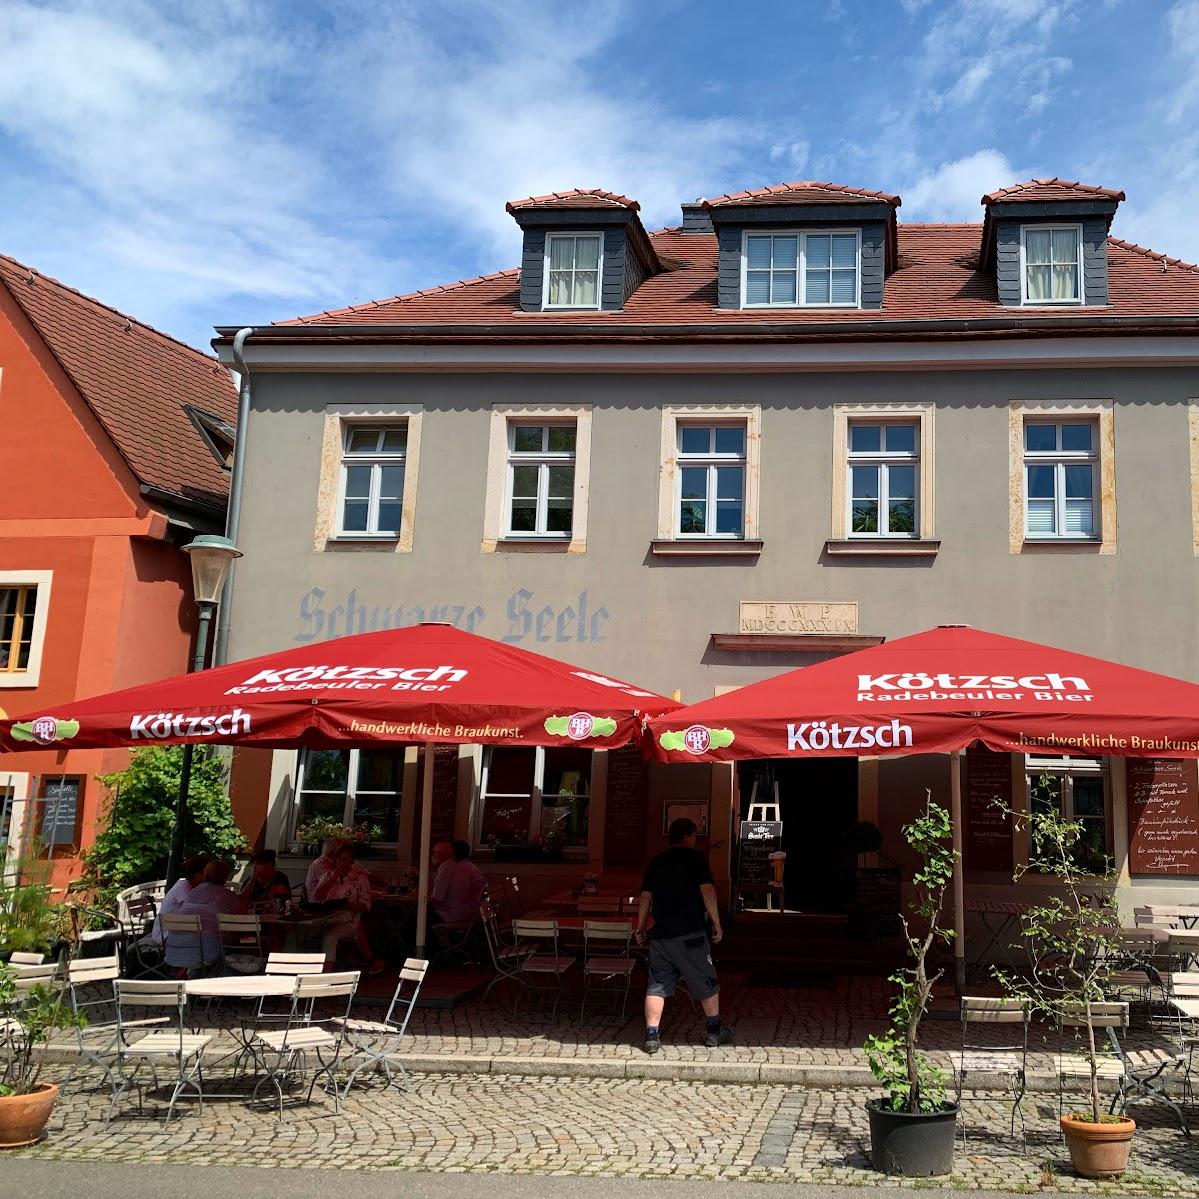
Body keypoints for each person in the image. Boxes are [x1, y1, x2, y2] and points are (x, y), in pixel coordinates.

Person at [635, 817, 733, 1054]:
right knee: (706, 981)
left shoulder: (656, 862)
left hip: (661, 935)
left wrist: (640, 927)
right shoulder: (696, 859)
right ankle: (713, 1031)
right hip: (691, 934)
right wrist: (717, 923)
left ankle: (651, 1036)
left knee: (657, 985)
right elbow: (707, 890)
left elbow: (646, 896)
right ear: (688, 836)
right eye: (694, 835)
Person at [311, 841, 384, 973]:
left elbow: (365, 906)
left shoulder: (359, 879)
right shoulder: (328, 875)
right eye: (339, 860)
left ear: (351, 861)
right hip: (325, 917)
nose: (341, 863)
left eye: (345, 860)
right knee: (296, 933)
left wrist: (350, 905)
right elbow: (317, 896)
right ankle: (286, 971)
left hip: (348, 920)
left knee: (330, 937)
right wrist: (333, 878)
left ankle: (326, 975)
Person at [168, 859, 245, 975]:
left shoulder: (193, 892)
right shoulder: (224, 895)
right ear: (225, 876)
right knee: (231, 945)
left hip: (175, 949)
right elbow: (242, 913)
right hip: (205, 951)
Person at [430, 839, 487, 926]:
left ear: (452, 854)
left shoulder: (450, 869)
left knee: (417, 917)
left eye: (435, 852)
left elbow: (437, 901)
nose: (433, 855)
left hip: (452, 915)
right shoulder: (470, 868)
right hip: (471, 913)